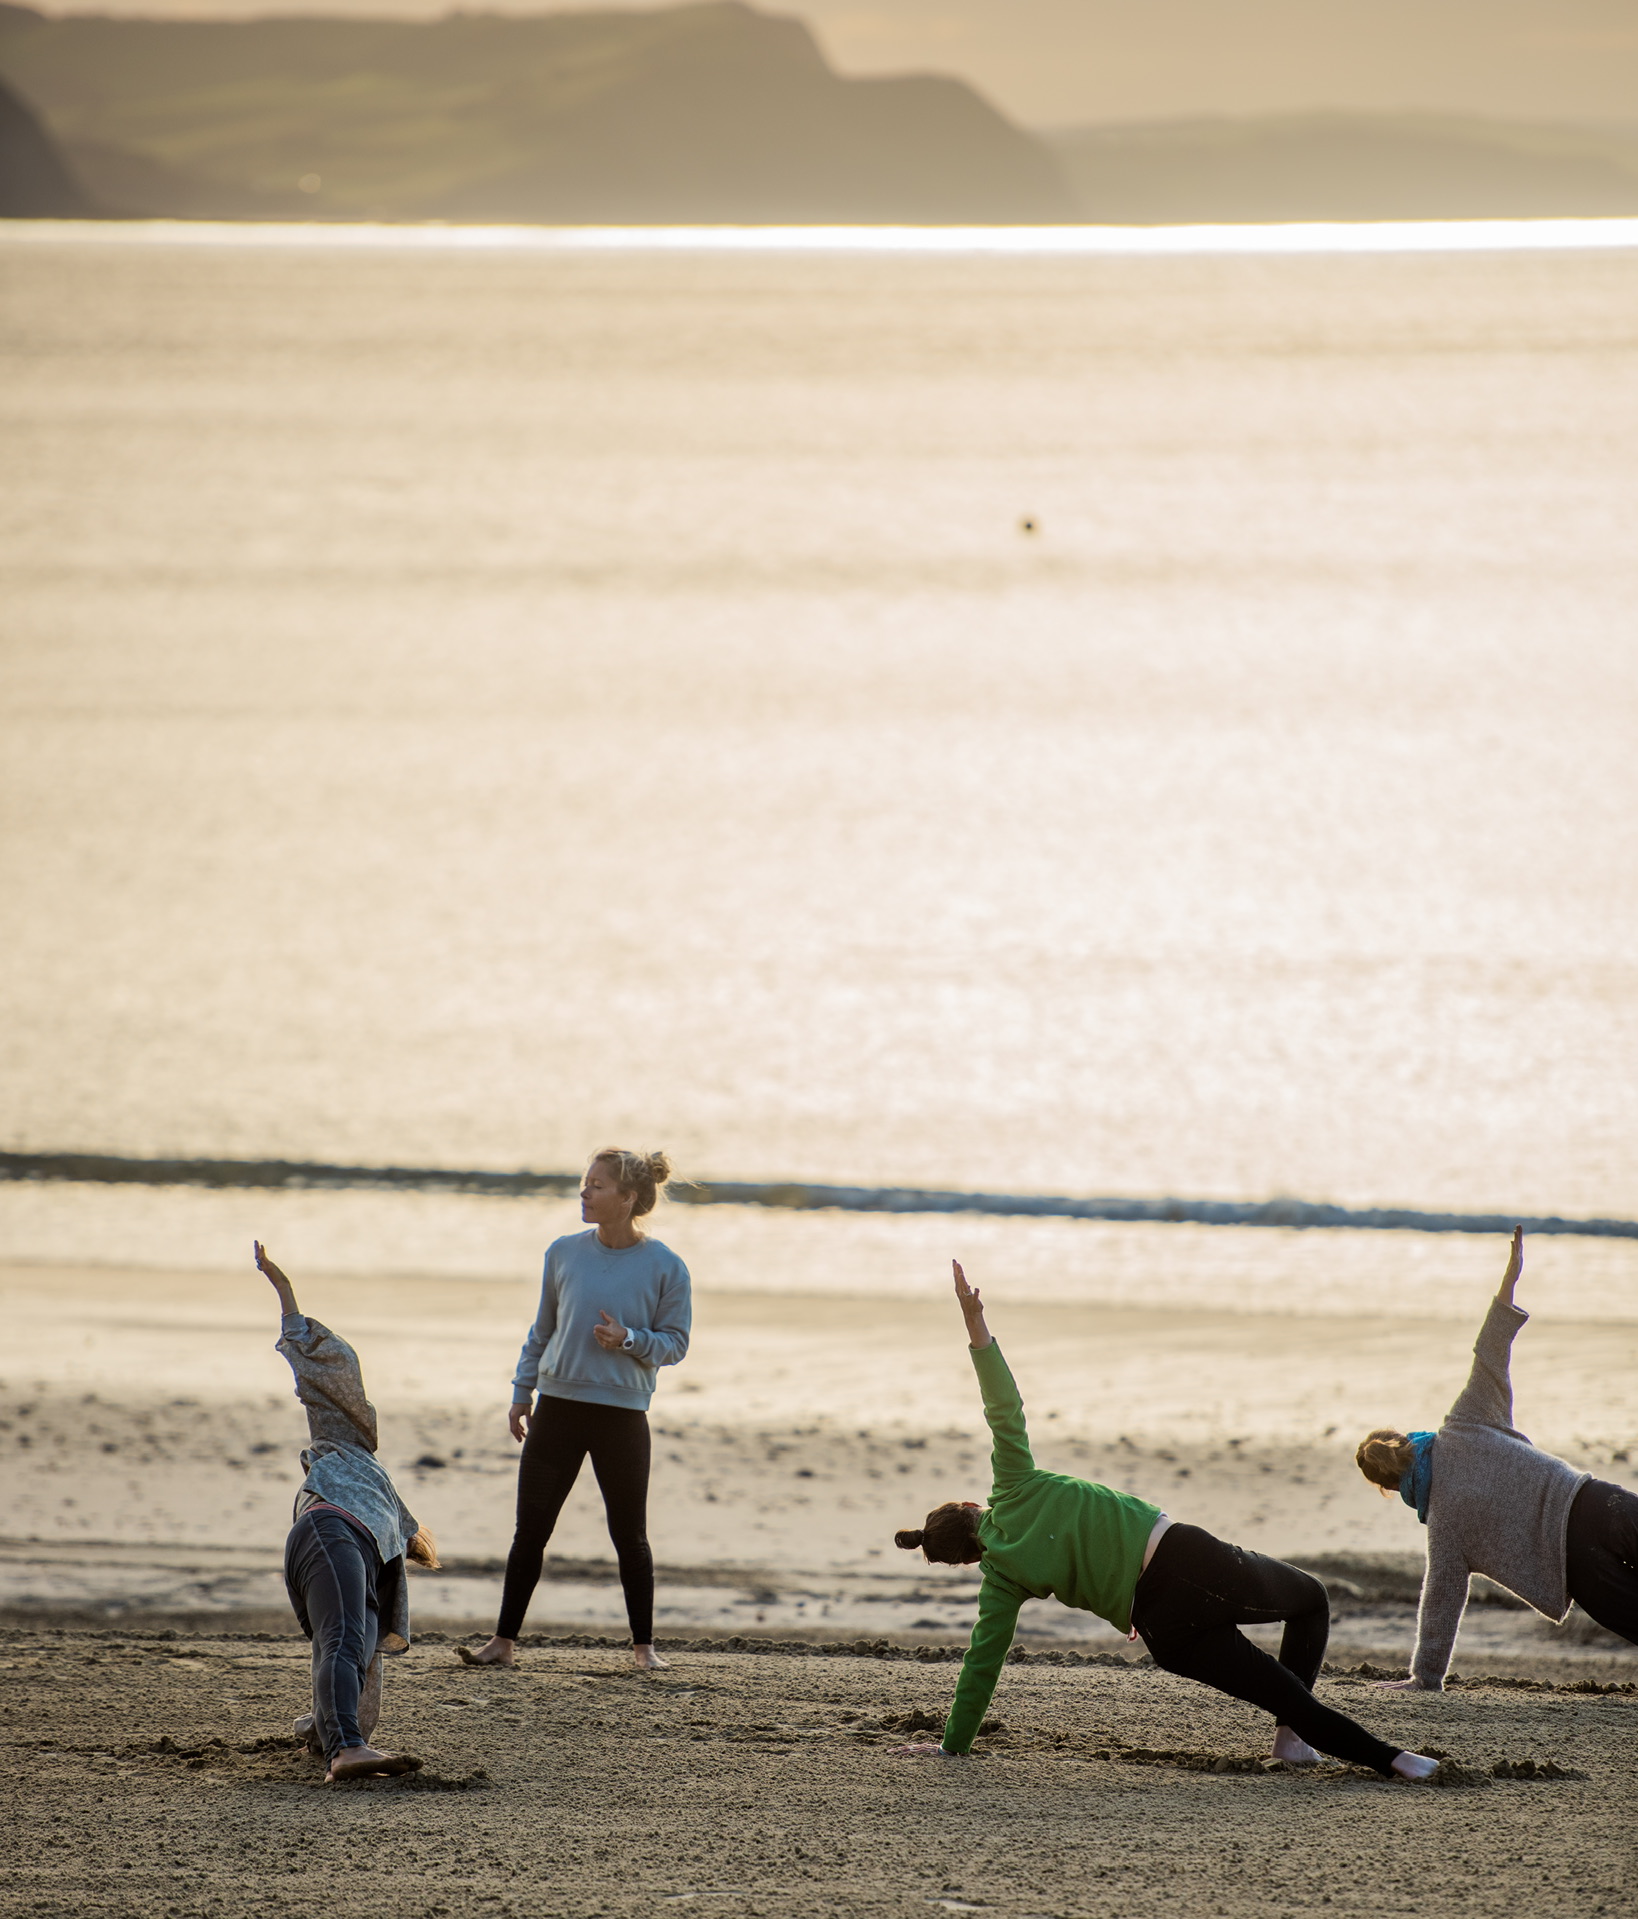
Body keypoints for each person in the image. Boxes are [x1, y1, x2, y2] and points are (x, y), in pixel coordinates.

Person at [892, 1261, 1440, 1781]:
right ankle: (1320, 1745)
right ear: (969, 1505)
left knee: (1284, 1694)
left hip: (1162, 1631)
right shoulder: (1012, 1484)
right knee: (1312, 1600)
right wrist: (975, 1322)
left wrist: (951, 1744)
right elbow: (1002, 1406)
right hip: (1185, 1561)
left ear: (967, 1559)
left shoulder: (1000, 1582)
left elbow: (980, 1666)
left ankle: (1380, 1758)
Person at [1355, 1226, 1636, 1691]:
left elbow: (1441, 1603)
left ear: (1389, 1488)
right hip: (1595, 1502)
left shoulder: (1443, 1526)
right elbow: (1491, 1350)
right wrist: (1509, 1280)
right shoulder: (1465, 1420)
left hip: (1577, 1566)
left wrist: (1424, 1678)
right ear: (1406, 1438)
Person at [462, 1148, 691, 1671]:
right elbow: (542, 1330)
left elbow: (675, 1344)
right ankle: (502, 1643)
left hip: (621, 1416)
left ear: (629, 1198)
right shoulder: (563, 1252)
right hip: (558, 1409)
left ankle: (644, 1650)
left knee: (629, 1536)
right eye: (584, 1183)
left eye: (597, 1185)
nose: (584, 1192)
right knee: (530, 1532)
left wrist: (628, 1338)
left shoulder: (666, 1266)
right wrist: (522, 1391)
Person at [257, 1240, 439, 1781]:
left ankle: (337, 1740)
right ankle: (346, 1751)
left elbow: (370, 1665)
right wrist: (286, 1295)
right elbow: (329, 1378)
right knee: (342, 1640)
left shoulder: (388, 1530)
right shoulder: (344, 1447)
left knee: (351, 1645)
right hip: (328, 1531)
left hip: (331, 1543)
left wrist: (330, 1725)